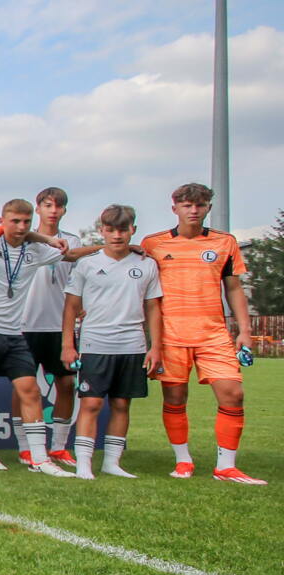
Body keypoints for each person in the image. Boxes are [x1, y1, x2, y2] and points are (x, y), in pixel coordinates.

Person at [140, 182, 262, 483]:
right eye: (187, 205)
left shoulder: (225, 243)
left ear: (208, 207)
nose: (193, 210)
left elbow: (234, 288)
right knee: (175, 397)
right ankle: (183, 461)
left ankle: (226, 466)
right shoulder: (153, 244)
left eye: (200, 204)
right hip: (170, 334)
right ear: (175, 209)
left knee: (233, 393)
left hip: (214, 333)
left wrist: (244, 330)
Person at [0, 199, 70, 475]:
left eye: (26, 222)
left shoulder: (36, 250)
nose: (21, 227)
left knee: (30, 390)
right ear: (2, 220)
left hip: (15, 332)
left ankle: (40, 457)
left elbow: (70, 254)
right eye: (15, 221)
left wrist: (105, 248)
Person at [63, 206, 163, 480]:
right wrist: (68, 345)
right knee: (91, 404)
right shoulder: (87, 264)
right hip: (95, 344)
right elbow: (71, 307)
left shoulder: (147, 264)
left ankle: (112, 462)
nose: (117, 235)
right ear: (102, 231)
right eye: (111, 229)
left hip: (133, 346)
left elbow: (153, 308)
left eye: (123, 229)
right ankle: (84, 464)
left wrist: (156, 346)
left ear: (133, 230)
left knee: (122, 405)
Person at [22, 187, 83, 468]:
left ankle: (58, 447)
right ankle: (25, 447)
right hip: (25, 322)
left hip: (61, 324)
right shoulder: (24, 238)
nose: (53, 210)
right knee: (23, 386)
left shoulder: (73, 241)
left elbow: (77, 277)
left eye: (58, 206)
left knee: (66, 383)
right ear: (38, 208)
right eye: (48, 205)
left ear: (64, 211)